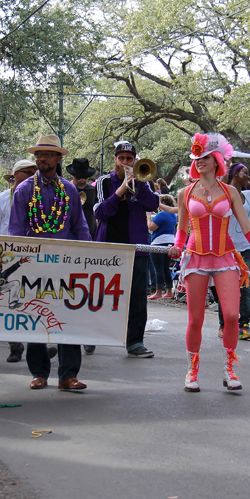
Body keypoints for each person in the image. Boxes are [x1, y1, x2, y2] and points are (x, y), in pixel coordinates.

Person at [168, 133, 250, 393]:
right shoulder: (185, 193)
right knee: (195, 319)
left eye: (204, 157)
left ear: (216, 160)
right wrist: (177, 247)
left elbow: (247, 228)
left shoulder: (230, 191)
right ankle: (192, 369)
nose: (199, 162)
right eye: (196, 158)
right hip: (196, 257)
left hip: (225, 257)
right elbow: (182, 229)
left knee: (233, 316)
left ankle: (230, 366)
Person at [8, 134, 91, 391]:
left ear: (58, 158)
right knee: (35, 317)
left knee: (68, 318)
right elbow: (16, 231)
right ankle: (39, 373)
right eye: (39, 155)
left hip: (66, 265)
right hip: (34, 266)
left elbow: (80, 227)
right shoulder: (23, 190)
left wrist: (88, 258)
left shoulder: (69, 191)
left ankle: (68, 375)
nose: (41, 158)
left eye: (47, 154)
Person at [94, 141, 160, 358]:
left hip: (137, 248)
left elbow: (152, 205)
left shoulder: (143, 182)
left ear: (135, 160)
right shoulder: (104, 182)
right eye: (121, 158)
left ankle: (135, 342)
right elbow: (102, 212)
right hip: (108, 247)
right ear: (115, 160)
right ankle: (91, 334)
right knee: (100, 293)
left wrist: (139, 184)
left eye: (129, 159)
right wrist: (122, 189)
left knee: (138, 296)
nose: (125, 162)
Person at [0, 159, 38, 363]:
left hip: (31, 256)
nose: (34, 177)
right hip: (7, 259)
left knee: (33, 299)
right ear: (16, 175)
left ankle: (35, 345)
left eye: (36, 174)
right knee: (11, 302)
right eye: (28, 173)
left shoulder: (39, 199)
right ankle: (15, 346)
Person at [214, 162, 250, 339]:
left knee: (245, 287)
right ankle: (224, 325)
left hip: (246, 248)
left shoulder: (249, 195)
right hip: (225, 248)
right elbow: (221, 184)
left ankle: (244, 325)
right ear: (235, 174)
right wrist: (225, 166)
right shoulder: (224, 192)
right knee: (225, 287)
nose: (248, 175)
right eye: (244, 172)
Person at [148, 195, 177, 299]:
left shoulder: (162, 215)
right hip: (170, 242)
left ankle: (158, 291)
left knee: (158, 268)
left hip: (158, 242)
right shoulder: (173, 215)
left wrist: (148, 218)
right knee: (166, 268)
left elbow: (151, 227)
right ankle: (169, 290)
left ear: (163, 202)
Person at [65, 158, 97, 238]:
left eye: (85, 178)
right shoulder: (65, 190)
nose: (82, 181)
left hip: (90, 236)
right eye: (79, 178)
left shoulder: (93, 191)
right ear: (72, 176)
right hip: (69, 236)